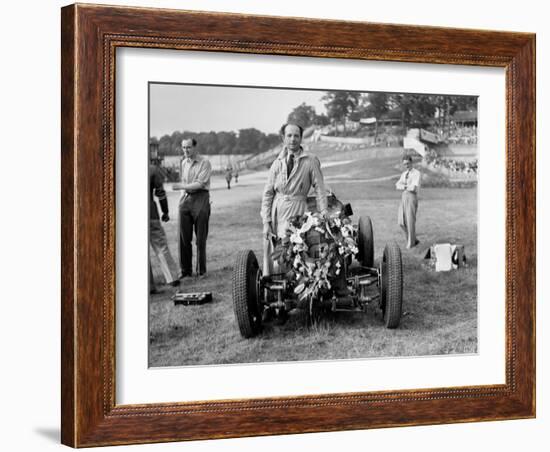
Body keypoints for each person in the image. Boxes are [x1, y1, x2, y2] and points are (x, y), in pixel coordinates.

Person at [261, 123, 328, 275]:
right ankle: (276, 284)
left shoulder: (310, 161)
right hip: (278, 212)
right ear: (283, 138)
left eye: (296, 136)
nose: (293, 139)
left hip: (299, 210)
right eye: (289, 136)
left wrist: (323, 211)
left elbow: (319, 188)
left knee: (297, 248)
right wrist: (266, 222)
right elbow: (268, 194)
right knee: (277, 251)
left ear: (301, 138)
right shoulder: (277, 164)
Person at [173, 138, 212, 277]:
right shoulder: (184, 163)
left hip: (201, 197)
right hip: (186, 198)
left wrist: (182, 187)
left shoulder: (205, 162)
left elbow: (200, 184)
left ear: (195, 147)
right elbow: (185, 182)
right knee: (183, 237)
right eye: (183, 148)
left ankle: (201, 270)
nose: (186, 150)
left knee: (200, 238)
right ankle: (185, 271)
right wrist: (181, 197)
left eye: (188, 147)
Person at [149, 161, 180, 292]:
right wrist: (165, 211)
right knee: (161, 246)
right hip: (150, 213)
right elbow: (160, 193)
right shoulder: (152, 169)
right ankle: (172, 278)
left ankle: (149, 286)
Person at [395, 155, 421, 248]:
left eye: (408, 163)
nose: (406, 166)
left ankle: (411, 243)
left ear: (411, 162)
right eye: (405, 164)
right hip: (404, 196)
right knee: (401, 222)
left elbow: (413, 188)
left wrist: (404, 186)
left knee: (410, 221)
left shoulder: (416, 173)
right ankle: (413, 239)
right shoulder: (404, 174)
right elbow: (397, 185)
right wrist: (405, 186)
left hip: (411, 197)